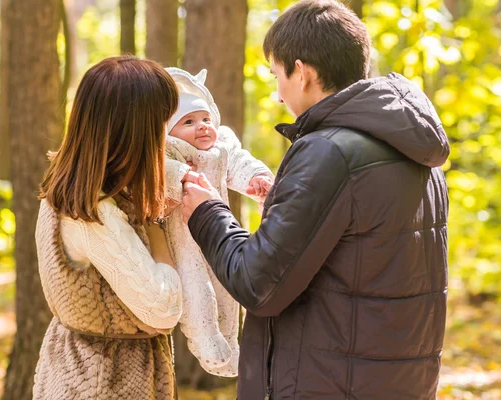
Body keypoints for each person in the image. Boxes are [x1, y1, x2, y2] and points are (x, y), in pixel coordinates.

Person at [180, 1, 450, 399]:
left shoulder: (328, 152)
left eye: (277, 76)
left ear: (302, 73)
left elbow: (258, 284)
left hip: (325, 383)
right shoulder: (417, 151)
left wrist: (207, 213)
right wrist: (282, 214)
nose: (276, 95)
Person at [33, 56, 182, 399]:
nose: (164, 133)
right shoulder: (92, 213)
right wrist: (156, 220)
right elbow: (162, 310)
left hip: (81, 370)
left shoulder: (71, 185)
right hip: (104, 380)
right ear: (133, 129)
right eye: (160, 121)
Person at [162, 67, 274, 377]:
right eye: (188, 122)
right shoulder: (170, 150)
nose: (201, 127)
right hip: (182, 239)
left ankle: (231, 344)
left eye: (205, 119)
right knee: (198, 289)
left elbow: (239, 161)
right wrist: (182, 176)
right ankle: (205, 340)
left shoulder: (220, 148)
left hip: (213, 230)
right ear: (170, 130)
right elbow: (163, 171)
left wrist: (257, 179)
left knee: (226, 288)